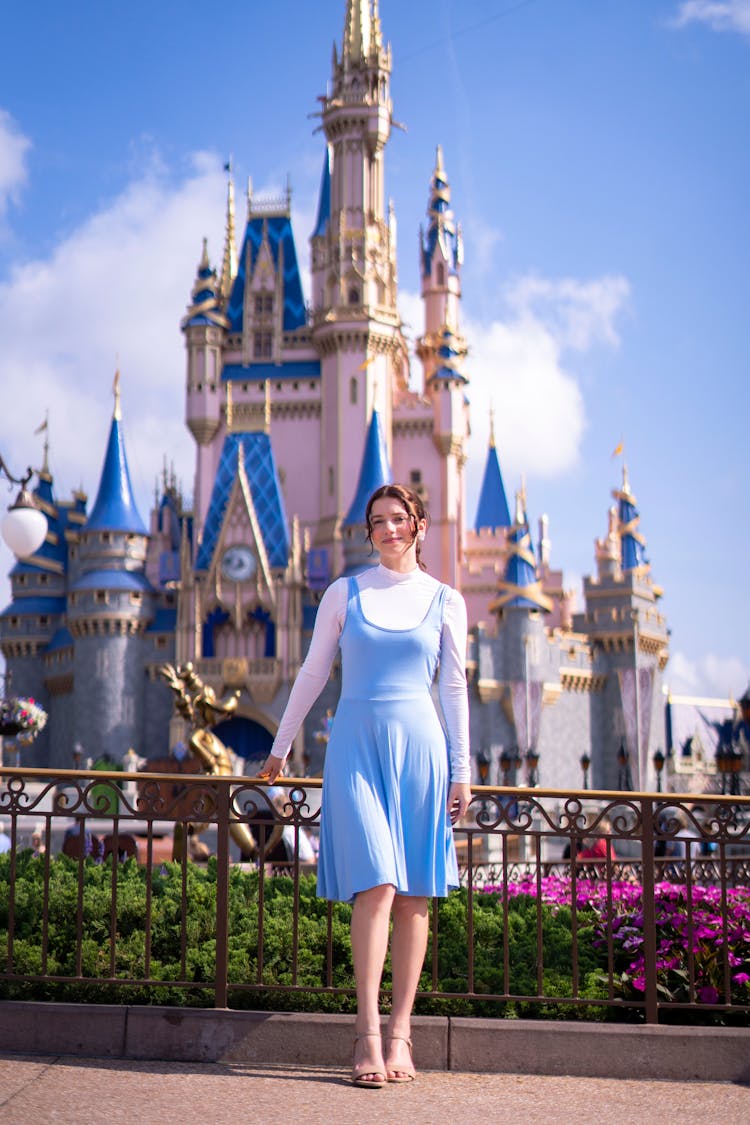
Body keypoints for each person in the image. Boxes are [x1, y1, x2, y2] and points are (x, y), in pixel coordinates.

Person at [260, 483, 471, 1088]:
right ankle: (367, 1033)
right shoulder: (343, 594)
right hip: (354, 748)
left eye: (398, 519)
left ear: (420, 525)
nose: (388, 529)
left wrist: (464, 769)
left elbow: (453, 688)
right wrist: (279, 747)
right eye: (377, 521)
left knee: (412, 896)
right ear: (369, 532)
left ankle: (401, 1032)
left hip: (422, 750)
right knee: (375, 884)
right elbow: (313, 671)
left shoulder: (446, 600)